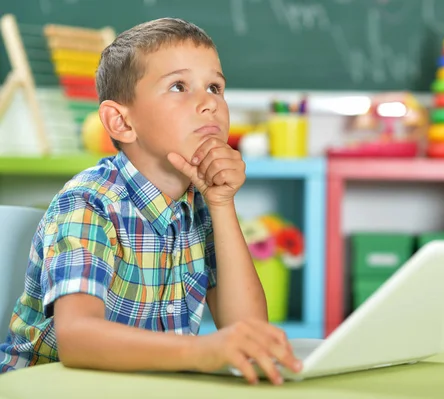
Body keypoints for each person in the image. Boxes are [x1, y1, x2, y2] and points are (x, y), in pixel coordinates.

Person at [0, 17, 301, 386]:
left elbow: (248, 329)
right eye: (179, 86)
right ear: (121, 122)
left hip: (145, 386)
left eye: (215, 87)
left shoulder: (202, 206)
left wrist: (222, 203)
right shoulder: (88, 203)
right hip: (48, 387)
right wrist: (201, 352)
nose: (208, 103)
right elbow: (77, 338)